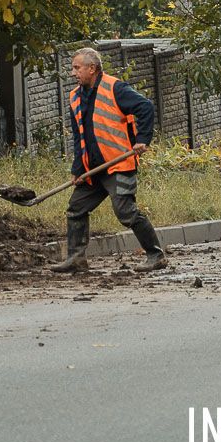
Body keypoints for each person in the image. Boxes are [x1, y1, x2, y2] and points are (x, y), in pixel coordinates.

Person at [50, 47, 168, 273]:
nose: (74, 73)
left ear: (92, 68)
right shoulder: (75, 97)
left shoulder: (115, 88)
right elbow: (79, 136)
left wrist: (142, 139)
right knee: (76, 208)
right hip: (93, 169)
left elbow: (145, 107)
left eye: (77, 68)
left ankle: (156, 255)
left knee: (126, 212)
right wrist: (77, 168)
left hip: (118, 164)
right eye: (73, 68)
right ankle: (76, 258)